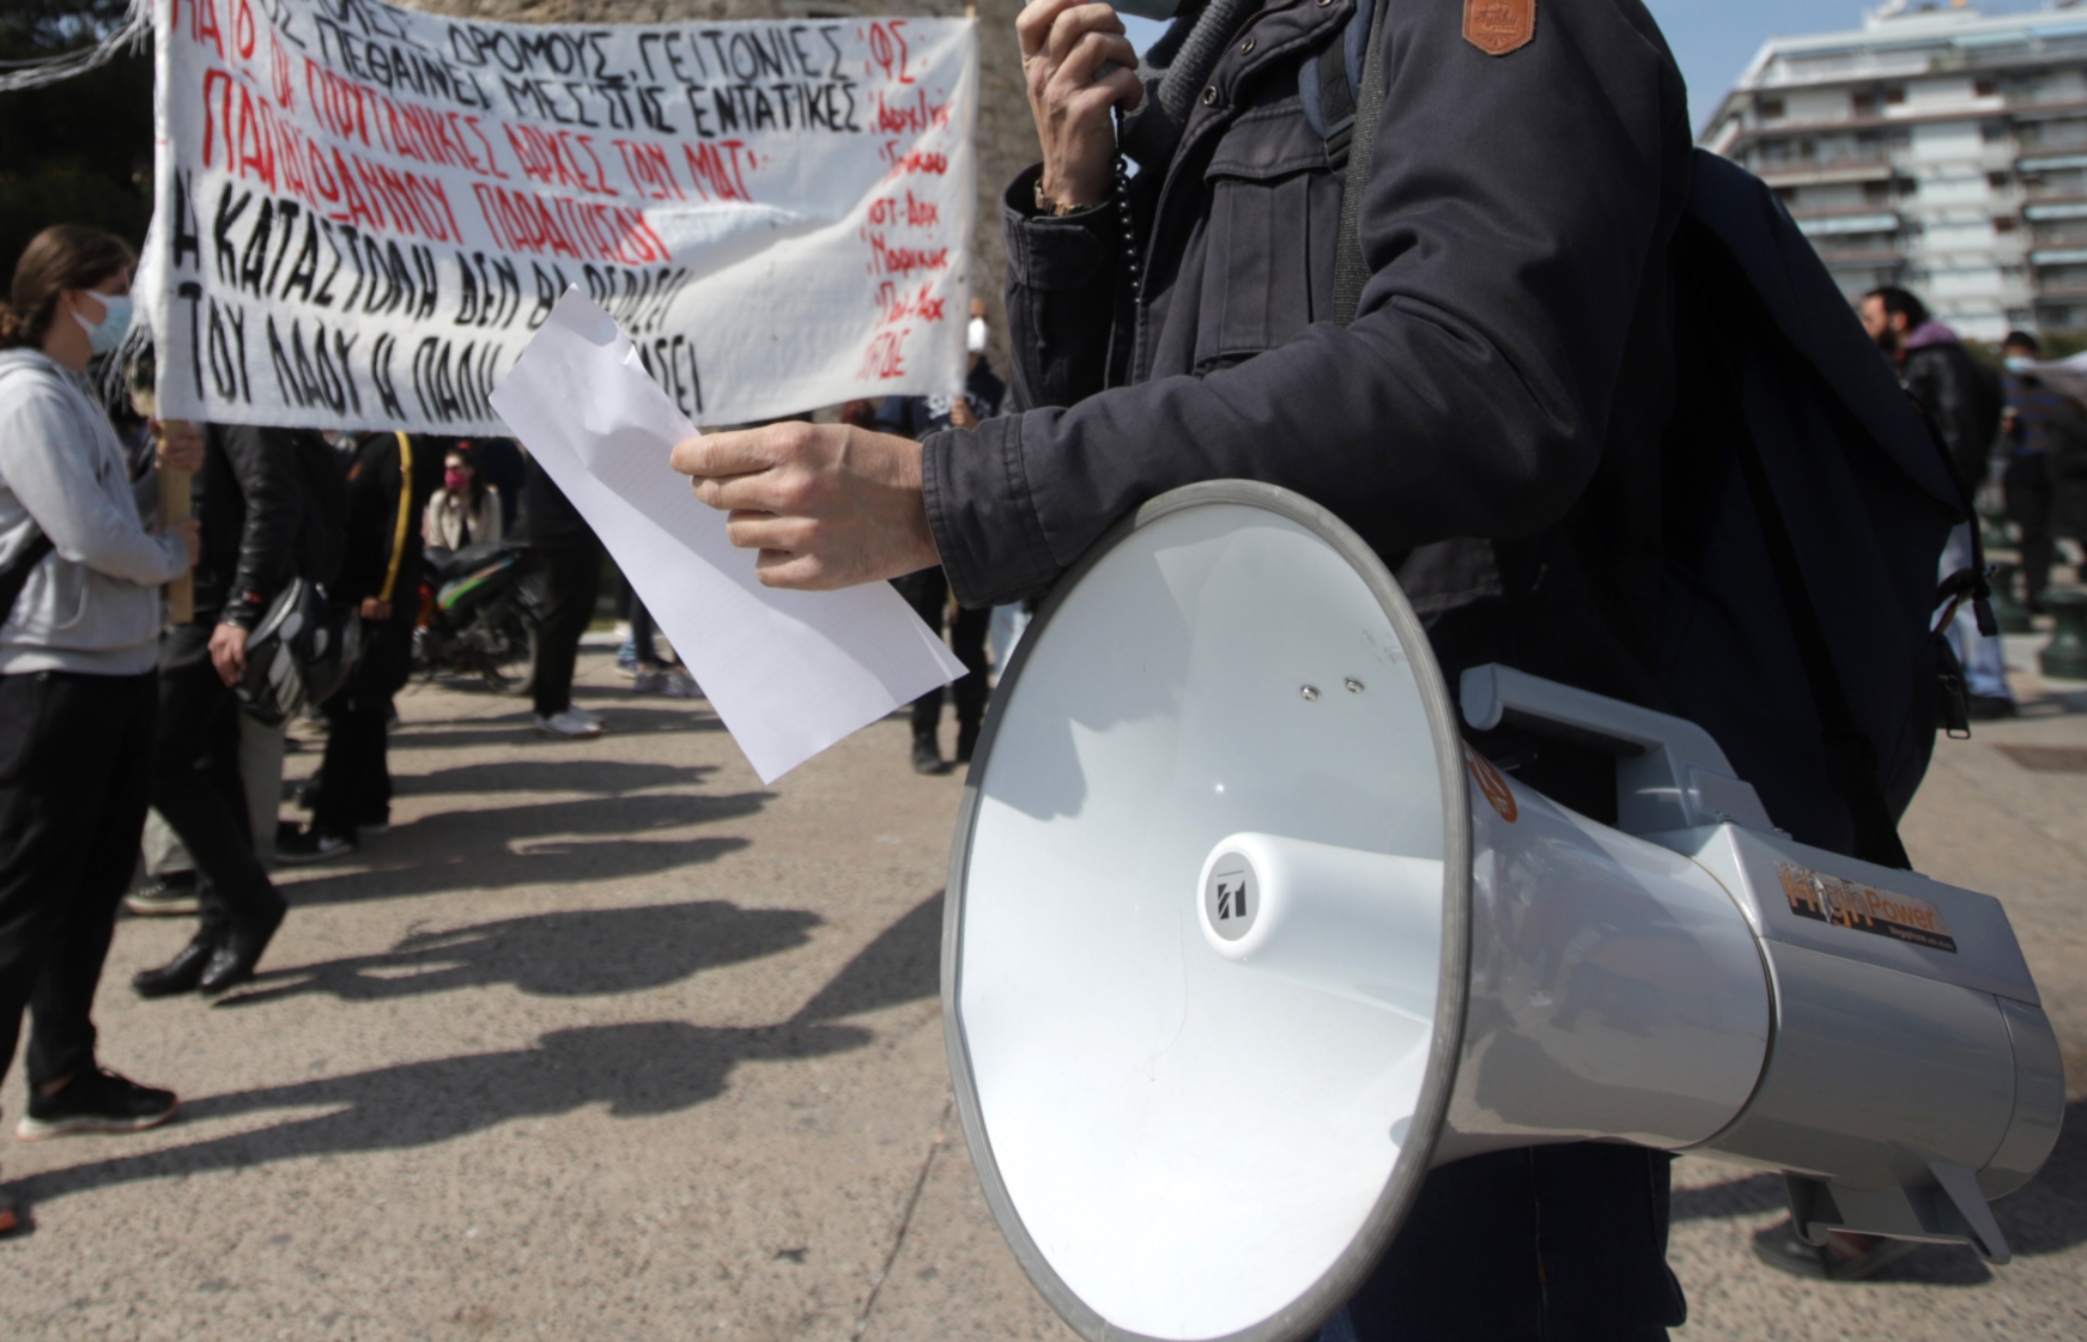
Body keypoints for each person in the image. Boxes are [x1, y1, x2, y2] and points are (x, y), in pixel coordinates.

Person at [675, 0, 1697, 1333]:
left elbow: (1480, 378)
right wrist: (1070, 195)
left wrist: (950, 493)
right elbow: (1104, 436)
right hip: (1244, 835)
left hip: (1472, 858)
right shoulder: (1199, 82)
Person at [0, 226, 199, 1208]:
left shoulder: (80, 394)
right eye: (116, 288)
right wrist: (171, 553)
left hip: (114, 666)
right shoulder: (25, 393)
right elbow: (84, 535)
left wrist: (167, 467)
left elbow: (106, 503)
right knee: (20, 906)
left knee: (90, 890)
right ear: (70, 294)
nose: (127, 306)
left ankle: (64, 1074)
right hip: (52, 676)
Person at [132, 408, 302, 997]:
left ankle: (250, 903)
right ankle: (217, 925)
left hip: (213, 613)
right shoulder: (184, 389)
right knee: (209, 764)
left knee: (156, 757)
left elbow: (271, 498)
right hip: (181, 602)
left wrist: (241, 608)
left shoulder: (234, 393)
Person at [281, 431, 437, 861]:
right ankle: (370, 804)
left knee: (354, 708)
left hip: (376, 602)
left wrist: (383, 592)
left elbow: (402, 525)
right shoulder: (360, 445)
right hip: (351, 597)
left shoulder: (397, 444)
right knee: (360, 707)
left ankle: (336, 826)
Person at [1861, 287, 2015, 720]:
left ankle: (1989, 684)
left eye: (1872, 318)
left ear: (1899, 319)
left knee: (1960, 588)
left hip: (1943, 498)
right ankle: (1964, 678)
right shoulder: (1929, 358)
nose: (1867, 328)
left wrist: (1945, 495)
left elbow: (1959, 433)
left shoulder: (1938, 359)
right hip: (1938, 496)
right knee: (1946, 588)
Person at [876, 297, 1006, 772]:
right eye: (967, 317)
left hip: (976, 533)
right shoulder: (918, 378)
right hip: (919, 528)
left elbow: (1017, 452)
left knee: (970, 644)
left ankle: (972, 735)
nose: (974, 326)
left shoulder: (995, 388)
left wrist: (977, 431)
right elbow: (884, 432)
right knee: (925, 639)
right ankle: (924, 739)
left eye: (981, 318)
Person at [1998, 331, 2087, 610]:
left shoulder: (2055, 388)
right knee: (2034, 533)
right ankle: (2035, 591)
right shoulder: (2004, 389)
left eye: (2021, 354)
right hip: (2025, 466)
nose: (2017, 361)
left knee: (2069, 528)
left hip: (2060, 468)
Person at [523, 453, 605, 739]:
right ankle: (549, 710)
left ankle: (561, 701)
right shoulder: (545, 437)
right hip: (561, 535)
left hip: (578, 534)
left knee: (574, 620)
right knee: (561, 621)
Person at [422, 443, 503, 551]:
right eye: (447, 469)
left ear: (471, 470)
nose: (450, 473)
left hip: (480, 561)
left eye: (455, 468)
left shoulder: (490, 499)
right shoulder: (439, 499)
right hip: (448, 562)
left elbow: (493, 539)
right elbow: (436, 541)